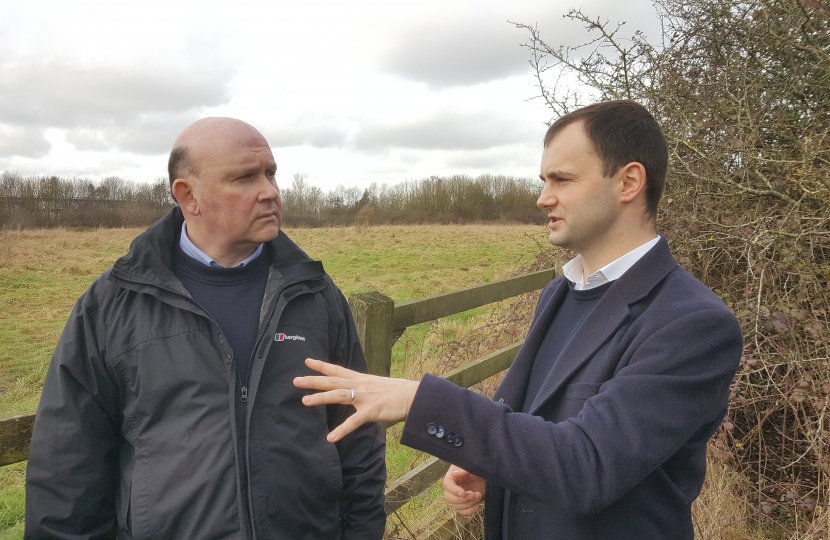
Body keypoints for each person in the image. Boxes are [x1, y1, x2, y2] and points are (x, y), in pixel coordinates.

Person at [294, 101, 742, 539]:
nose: (543, 197)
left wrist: (420, 401)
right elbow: (533, 424)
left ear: (628, 182)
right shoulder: (561, 292)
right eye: (544, 179)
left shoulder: (691, 324)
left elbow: (587, 466)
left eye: (562, 179)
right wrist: (489, 466)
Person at [25, 118, 386, 540]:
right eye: (245, 178)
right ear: (188, 195)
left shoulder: (314, 294)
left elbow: (357, 440)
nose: (269, 190)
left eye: (270, 173)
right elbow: (67, 466)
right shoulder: (112, 306)